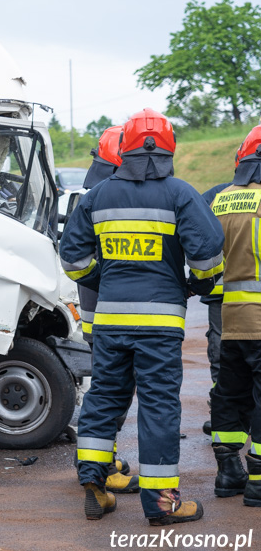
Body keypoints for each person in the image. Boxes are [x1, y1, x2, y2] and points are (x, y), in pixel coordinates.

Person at [60, 108, 224, 525]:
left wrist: (105, 277)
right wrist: (197, 284)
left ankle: (94, 484)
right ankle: (162, 504)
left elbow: (73, 259)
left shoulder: (97, 197)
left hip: (112, 322)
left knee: (104, 398)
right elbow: (207, 255)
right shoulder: (181, 194)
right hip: (160, 326)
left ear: (125, 149)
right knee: (158, 407)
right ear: (168, 149)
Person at [75, 125, 139, 495]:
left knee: (104, 389)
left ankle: (97, 459)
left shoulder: (91, 195)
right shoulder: (111, 200)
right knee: (112, 392)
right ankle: (101, 465)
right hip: (109, 316)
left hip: (95, 314)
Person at [208, 125, 261, 506]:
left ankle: (229, 473)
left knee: (228, 396)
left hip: (229, 323)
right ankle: (258, 481)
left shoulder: (220, 200)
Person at [199, 182, 231, 436]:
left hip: (220, 289)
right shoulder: (216, 195)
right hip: (229, 292)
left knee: (220, 351)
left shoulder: (216, 195)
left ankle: (223, 412)